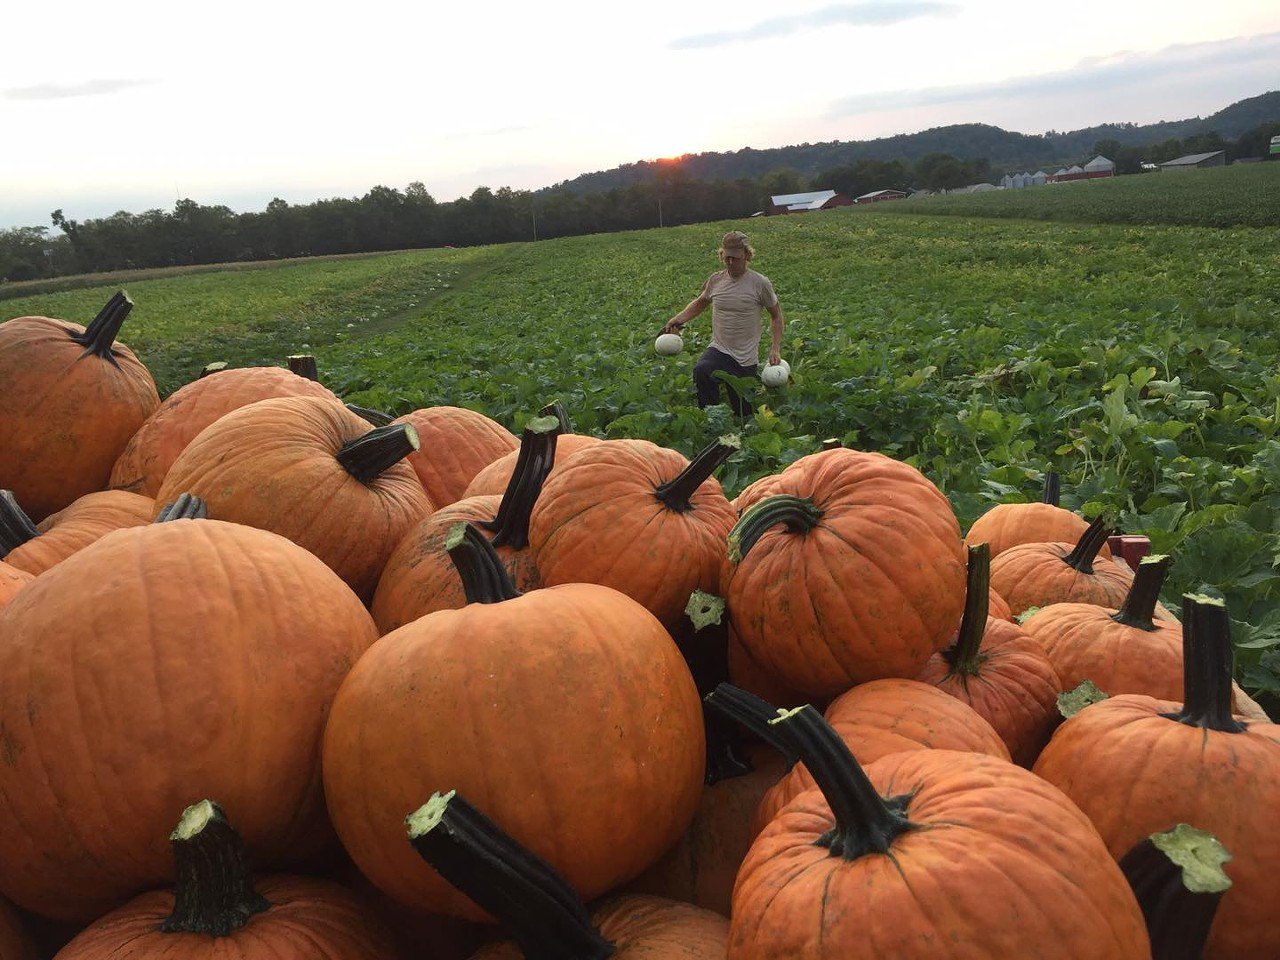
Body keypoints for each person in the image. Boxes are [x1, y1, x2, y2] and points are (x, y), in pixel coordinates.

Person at [662, 230, 784, 416]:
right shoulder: (716, 280)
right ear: (722, 255)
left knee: (744, 413)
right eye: (726, 258)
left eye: (735, 258)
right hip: (719, 349)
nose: (730, 262)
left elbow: (776, 316)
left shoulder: (760, 283)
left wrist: (775, 348)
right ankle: (710, 419)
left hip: (745, 358)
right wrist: (678, 319)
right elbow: (701, 302)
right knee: (702, 371)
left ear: (746, 255)